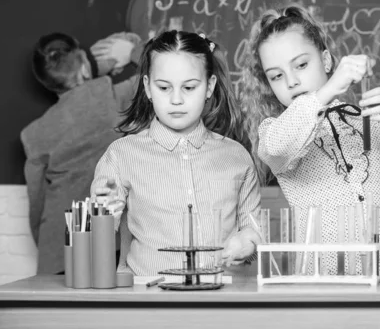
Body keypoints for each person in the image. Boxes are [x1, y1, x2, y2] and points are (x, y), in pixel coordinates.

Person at [239, 4, 380, 277]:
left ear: (326, 61)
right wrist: (326, 91)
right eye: (276, 76)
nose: (291, 81)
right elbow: (279, 147)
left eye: (302, 65)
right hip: (320, 289)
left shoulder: (370, 120)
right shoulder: (274, 130)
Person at [91, 30, 261, 276]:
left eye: (189, 87)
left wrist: (249, 241)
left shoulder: (237, 157)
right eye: (164, 87)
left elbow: (253, 231)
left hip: (223, 300)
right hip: (149, 303)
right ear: (148, 88)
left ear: (209, 86)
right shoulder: (121, 155)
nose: (176, 99)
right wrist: (101, 213)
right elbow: (98, 246)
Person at [21, 31, 140, 274]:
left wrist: (48, 246)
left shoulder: (34, 135)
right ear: (86, 68)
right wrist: (132, 51)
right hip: (112, 243)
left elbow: (37, 205)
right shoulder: (112, 96)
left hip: (58, 250)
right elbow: (160, 72)